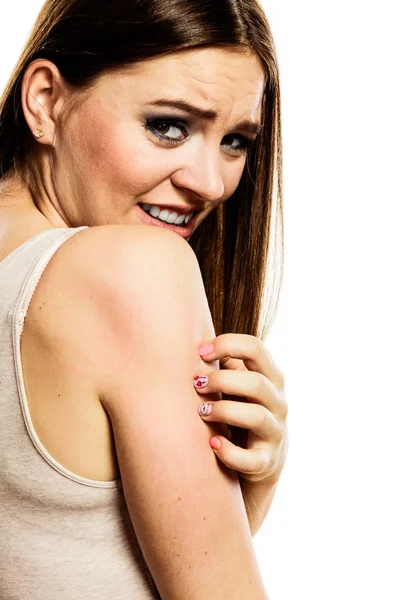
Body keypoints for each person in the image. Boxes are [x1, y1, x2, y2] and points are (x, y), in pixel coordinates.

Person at [0, 0, 289, 598]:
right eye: (168, 125)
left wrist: (231, 506)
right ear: (45, 101)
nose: (211, 183)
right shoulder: (134, 270)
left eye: (235, 140)